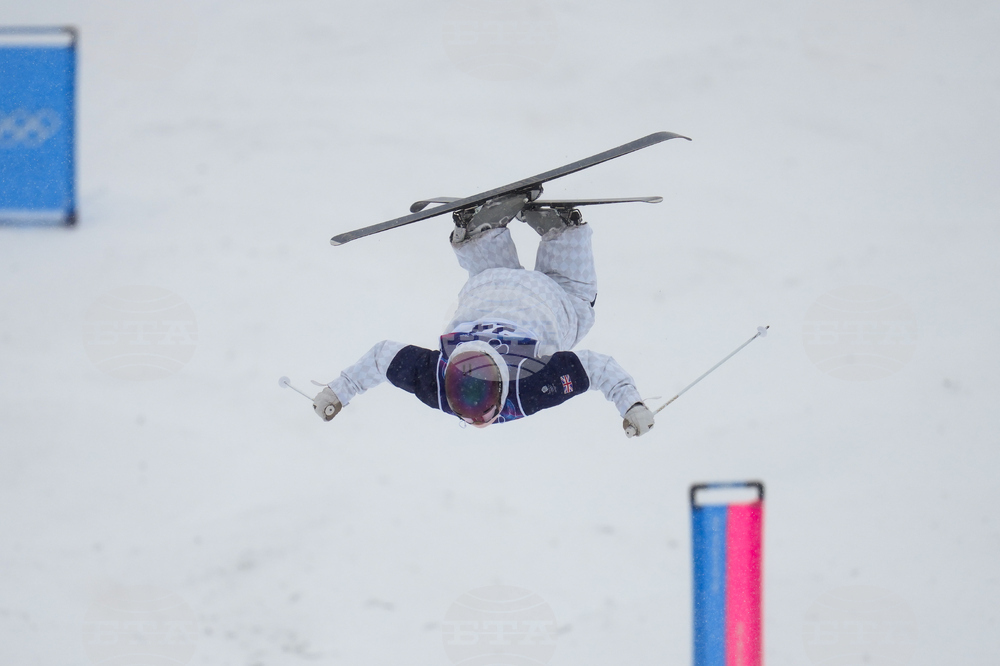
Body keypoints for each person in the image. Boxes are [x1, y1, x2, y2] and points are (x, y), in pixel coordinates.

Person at [312, 191, 656, 437]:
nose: (476, 418)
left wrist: (632, 405)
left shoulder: (530, 389)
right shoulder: (434, 383)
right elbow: (382, 358)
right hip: (488, 287)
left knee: (575, 300)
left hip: (546, 301)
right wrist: (338, 390)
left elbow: (596, 368)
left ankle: (562, 230)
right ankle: (480, 235)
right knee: (495, 280)